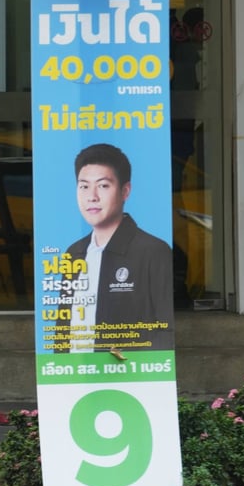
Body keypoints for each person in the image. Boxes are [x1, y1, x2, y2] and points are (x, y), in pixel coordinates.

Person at [57, 143, 174, 353]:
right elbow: (62, 331)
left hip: (131, 375)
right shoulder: (73, 252)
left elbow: (165, 329)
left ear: (125, 191)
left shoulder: (153, 250)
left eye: (103, 185)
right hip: (75, 377)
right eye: (84, 186)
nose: (92, 196)